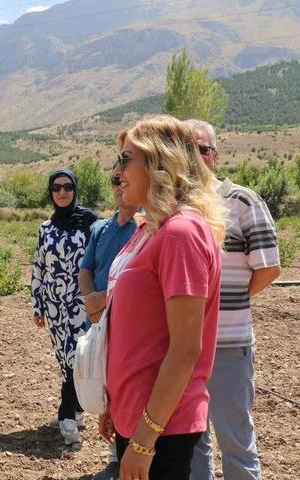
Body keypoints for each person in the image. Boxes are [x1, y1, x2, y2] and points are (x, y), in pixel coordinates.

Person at [97, 115, 226, 480]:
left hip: (162, 429)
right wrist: (117, 402)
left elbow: (186, 350)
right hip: (138, 414)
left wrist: (142, 442)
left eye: (125, 159)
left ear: (159, 163)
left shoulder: (179, 234)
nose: (118, 171)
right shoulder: (151, 228)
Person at [185, 119, 281, 480]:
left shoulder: (242, 201)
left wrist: (226, 301)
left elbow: (268, 268)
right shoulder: (176, 206)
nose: (195, 157)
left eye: (202, 149)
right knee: (192, 442)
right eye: (187, 149)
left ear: (215, 155)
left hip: (228, 343)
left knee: (235, 442)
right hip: (183, 347)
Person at [31, 167, 99, 447]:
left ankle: (65, 414)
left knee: (78, 358)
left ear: (75, 190)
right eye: (56, 187)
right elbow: (38, 267)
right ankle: (79, 408)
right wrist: (38, 305)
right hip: (55, 308)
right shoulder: (45, 228)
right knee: (65, 361)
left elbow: (102, 261)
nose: (62, 192)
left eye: (67, 187)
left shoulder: (91, 224)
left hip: (82, 305)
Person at [79, 166, 138, 480]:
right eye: (115, 180)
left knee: (128, 389)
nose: (119, 186)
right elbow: (85, 270)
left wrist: (103, 300)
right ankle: (116, 458)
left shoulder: (144, 228)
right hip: (101, 324)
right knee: (107, 386)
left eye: (124, 180)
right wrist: (91, 300)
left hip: (130, 324)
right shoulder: (101, 228)